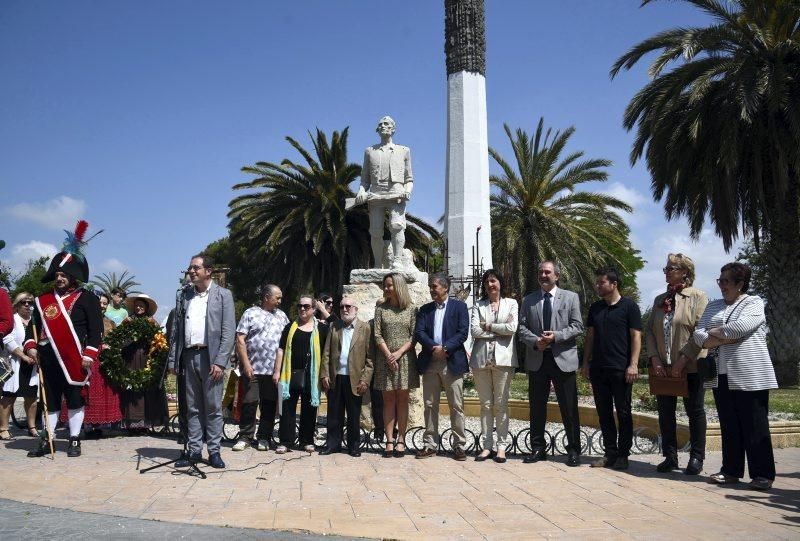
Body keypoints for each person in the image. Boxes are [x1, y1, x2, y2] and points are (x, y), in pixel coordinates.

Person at [693, 262, 778, 490]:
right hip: (720, 374)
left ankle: (763, 474)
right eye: (719, 281)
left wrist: (716, 336)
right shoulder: (714, 306)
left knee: (755, 425)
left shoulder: (754, 302)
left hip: (750, 373)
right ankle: (730, 470)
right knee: (729, 424)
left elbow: (740, 328)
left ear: (740, 284)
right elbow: (698, 335)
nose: (722, 286)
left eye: (726, 281)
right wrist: (719, 337)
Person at [25, 222, 103, 458]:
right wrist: (30, 347)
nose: (59, 278)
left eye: (63, 275)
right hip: (48, 358)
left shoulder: (88, 298)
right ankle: (47, 439)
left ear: (73, 277)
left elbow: (96, 329)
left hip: (74, 357)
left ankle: (74, 439)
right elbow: (33, 328)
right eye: (57, 274)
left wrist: (89, 354)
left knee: (74, 399)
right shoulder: (43, 300)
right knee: (49, 399)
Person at [167, 254, 236, 469]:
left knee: (213, 406)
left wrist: (221, 361)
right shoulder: (184, 296)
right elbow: (176, 331)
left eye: (196, 267)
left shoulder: (223, 295)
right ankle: (194, 450)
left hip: (211, 357)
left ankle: (214, 451)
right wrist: (173, 360)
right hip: (189, 355)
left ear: (208, 271)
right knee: (193, 408)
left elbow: (228, 331)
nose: (191, 271)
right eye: (190, 268)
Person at [645, 254, 709, 475]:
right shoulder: (659, 299)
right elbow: (650, 333)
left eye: (671, 268)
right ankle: (670, 457)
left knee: (695, 411)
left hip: (690, 366)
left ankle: (697, 457)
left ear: (685, 271)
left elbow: (701, 332)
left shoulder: (698, 296)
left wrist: (683, 360)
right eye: (666, 268)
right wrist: (654, 359)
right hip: (663, 367)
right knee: (665, 412)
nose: (667, 272)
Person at [519, 261, 583, 467]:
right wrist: (535, 341)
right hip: (538, 359)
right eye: (540, 272)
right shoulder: (528, 300)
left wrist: (555, 336)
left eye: (547, 272)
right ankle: (538, 448)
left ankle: (573, 450)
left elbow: (577, 326)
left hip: (563, 358)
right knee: (537, 407)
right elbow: (521, 328)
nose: (543, 275)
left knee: (569, 407)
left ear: (557, 275)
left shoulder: (571, 297)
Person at [581, 266, 642, 471]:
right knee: (604, 413)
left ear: (614, 284)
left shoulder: (629, 307)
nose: (598, 285)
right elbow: (590, 336)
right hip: (599, 369)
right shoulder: (596, 308)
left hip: (621, 369)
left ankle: (623, 455)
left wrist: (633, 364)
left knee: (624, 412)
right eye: (597, 282)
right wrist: (585, 362)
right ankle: (610, 453)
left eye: (602, 282)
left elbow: (636, 336)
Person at [414, 273, 469, 460]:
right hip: (430, 361)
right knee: (429, 405)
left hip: (451, 360)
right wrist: (433, 347)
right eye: (430, 286)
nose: (431, 290)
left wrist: (445, 348)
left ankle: (459, 445)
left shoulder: (460, 307)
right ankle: (430, 444)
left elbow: (463, 332)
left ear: (445, 288)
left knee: (456, 405)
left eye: (434, 286)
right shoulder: (425, 310)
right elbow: (419, 332)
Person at [232, 283, 289, 452]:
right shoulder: (250, 313)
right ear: (266, 297)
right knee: (250, 402)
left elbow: (286, 342)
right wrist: (246, 364)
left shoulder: (282, 316)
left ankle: (264, 437)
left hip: (273, 371)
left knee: (269, 404)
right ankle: (245, 437)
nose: (280, 300)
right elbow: (240, 339)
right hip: (253, 369)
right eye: (277, 297)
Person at [470, 269, 518, 464]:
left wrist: (488, 326)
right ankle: (486, 445)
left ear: (500, 283)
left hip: (503, 360)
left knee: (501, 404)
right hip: (481, 361)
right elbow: (474, 330)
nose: (490, 285)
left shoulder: (511, 303)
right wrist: (499, 330)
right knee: (486, 405)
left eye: (493, 281)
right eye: (487, 282)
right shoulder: (478, 305)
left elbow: (512, 328)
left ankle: (501, 447)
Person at [355, 115, 414, 268]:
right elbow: (364, 180)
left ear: (393, 129)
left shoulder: (404, 151)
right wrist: (361, 191)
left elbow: (409, 178)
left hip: (397, 194)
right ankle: (377, 264)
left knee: (396, 226)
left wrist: (407, 190)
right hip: (375, 195)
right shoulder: (370, 151)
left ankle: (397, 261)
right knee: (375, 231)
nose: (383, 126)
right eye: (380, 124)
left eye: (386, 124)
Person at [274, 294, 329, 453]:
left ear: (313, 309)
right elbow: (281, 350)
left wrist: (323, 310)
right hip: (288, 374)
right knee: (287, 409)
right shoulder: (289, 327)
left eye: (306, 306)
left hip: (312, 375)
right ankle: (285, 441)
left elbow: (335, 326)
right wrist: (277, 372)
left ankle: (306, 441)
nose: (302, 309)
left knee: (309, 410)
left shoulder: (322, 329)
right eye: (300, 306)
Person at [320, 297, 373, 456]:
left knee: (354, 415)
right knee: (333, 414)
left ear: (356, 309)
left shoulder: (365, 328)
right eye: (342, 306)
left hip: (355, 378)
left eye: (348, 306)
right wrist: (324, 374)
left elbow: (370, 358)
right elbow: (327, 353)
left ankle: (354, 447)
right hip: (336, 377)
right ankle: (332, 445)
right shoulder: (334, 327)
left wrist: (365, 379)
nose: (344, 309)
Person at [373, 272, 419, 458]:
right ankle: (389, 439)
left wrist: (398, 354)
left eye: (389, 285)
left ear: (398, 286)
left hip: (405, 359)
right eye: (385, 285)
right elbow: (377, 334)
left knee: (402, 399)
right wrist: (388, 355)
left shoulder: (411, 309)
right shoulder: (380, 309)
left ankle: (401, 439)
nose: (386, 288)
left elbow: (414, 337)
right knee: (388, 401)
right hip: (385, 360)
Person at [73, 292, 122, 438]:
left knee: (101, 392)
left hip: (104, 361)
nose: (102, 306)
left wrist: (111, 347)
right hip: (87, 359)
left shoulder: (110, 322)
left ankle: (99, 424)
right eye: (99, 303)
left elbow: (116, 340)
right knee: (88, 390)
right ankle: (87, 425)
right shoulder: (83, 320)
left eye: (105, 303)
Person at [119, 294, 168, 432]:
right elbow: (119, 337)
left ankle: (146, 423)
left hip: (147, 357)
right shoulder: (128, 321)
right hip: (131, 357)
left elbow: (160, 340)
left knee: (147, 389)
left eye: (141, 306)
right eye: (136, 306)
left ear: (146, 308)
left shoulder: (151, 321)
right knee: (132, 387)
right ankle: (132, 423)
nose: (138, 308)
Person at [1, 293, 39, 439]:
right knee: (9, 396)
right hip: (14, 362)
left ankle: (32, 426)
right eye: (24, 302)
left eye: (30, 302)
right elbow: (7, 338)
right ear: (16, 305)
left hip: (32, 364)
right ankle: (4, 428)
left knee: (31, 396)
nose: (28, 305)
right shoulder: (13, 320)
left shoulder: (35, 321)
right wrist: (23, 356)